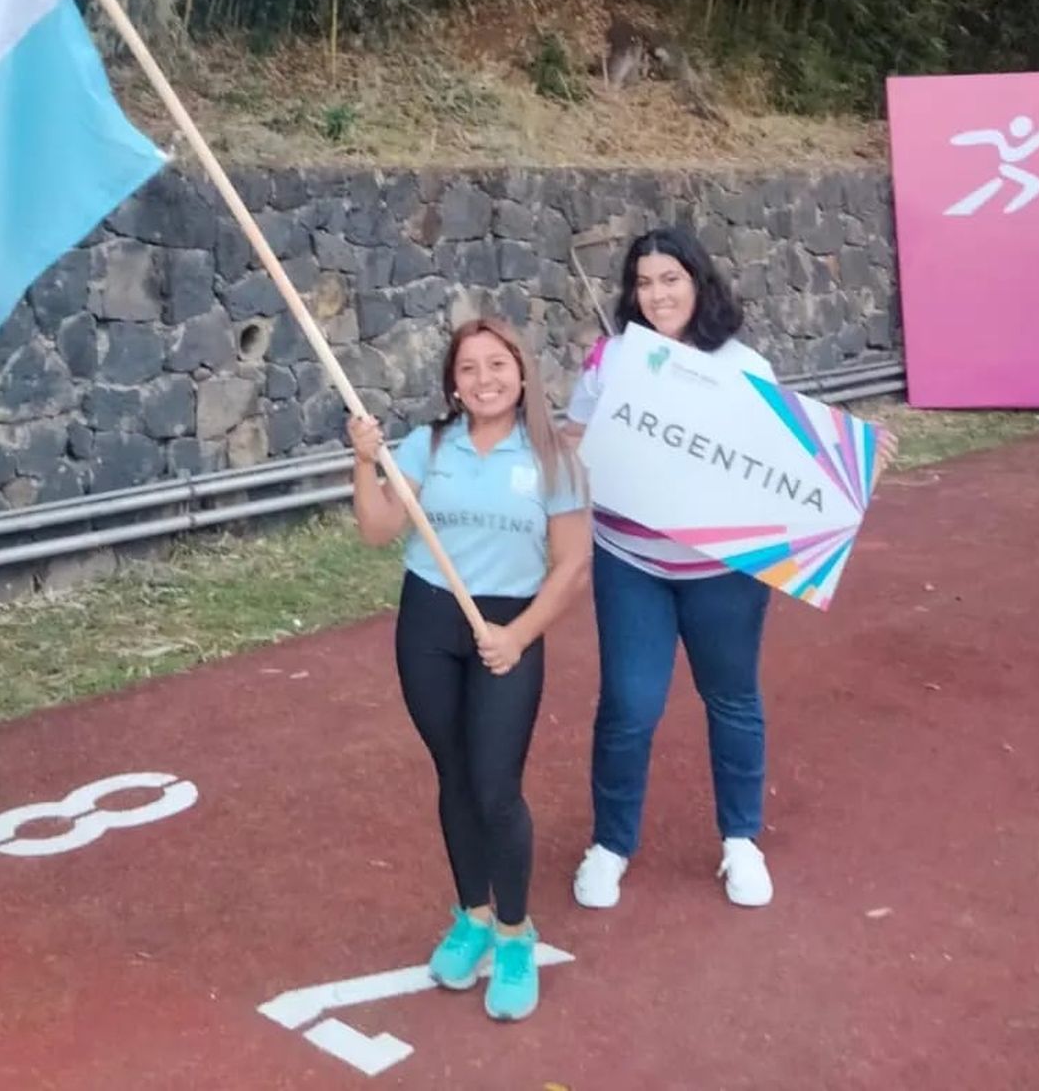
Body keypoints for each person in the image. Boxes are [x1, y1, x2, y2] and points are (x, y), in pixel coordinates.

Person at [565, 226, 895, 912]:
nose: (656, 295)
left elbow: (781, 467)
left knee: (732, 697)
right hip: (631, 562)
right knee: (629, 705)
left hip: (723, 573)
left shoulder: (744, 367)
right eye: (644, 283)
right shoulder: (610, 359)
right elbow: (575, 440)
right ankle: (610, 845)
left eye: (670, 280)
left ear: (697, 282)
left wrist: (857, 470)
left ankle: (740, 841)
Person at [348, 317, 589, 1022]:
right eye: (468, 369)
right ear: (453, 383)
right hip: (428, 621)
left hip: (507, 628)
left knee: (496, 786)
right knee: (453, 774)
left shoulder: (553, 458)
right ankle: (474, 916)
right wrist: (365, 461)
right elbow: (377, 530)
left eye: (497, 365)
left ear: (521, 373)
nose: (484, 380)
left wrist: (518, 638)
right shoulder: (428, 446)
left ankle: (515, 935)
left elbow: (573, 565)